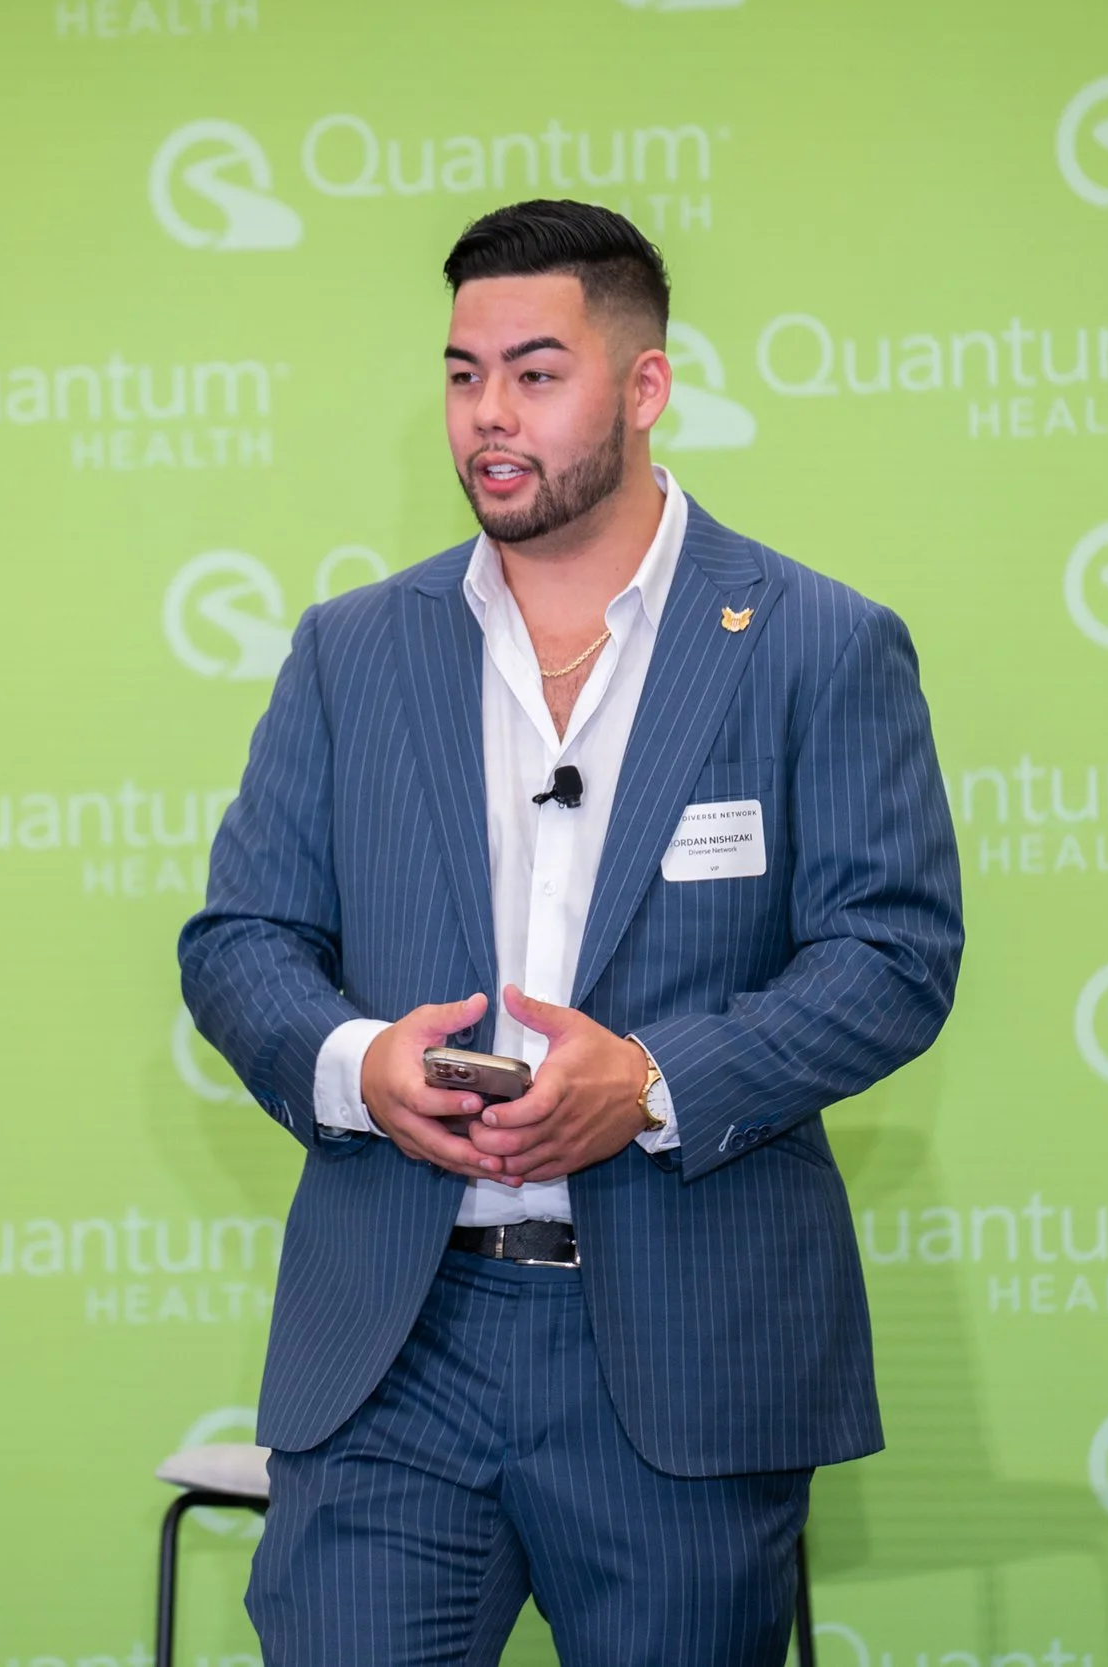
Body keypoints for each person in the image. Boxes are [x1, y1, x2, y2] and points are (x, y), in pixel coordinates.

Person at [177, 198, 963, 1666]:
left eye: (536, 373)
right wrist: (358, 1066)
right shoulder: (353, 652)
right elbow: (240, 942)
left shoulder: (816, 643)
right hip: (398, 1342)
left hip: (682, 1348)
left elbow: (891, 957)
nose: (490, 413)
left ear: (645, 386)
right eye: (464, 373)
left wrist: (653, 1083)